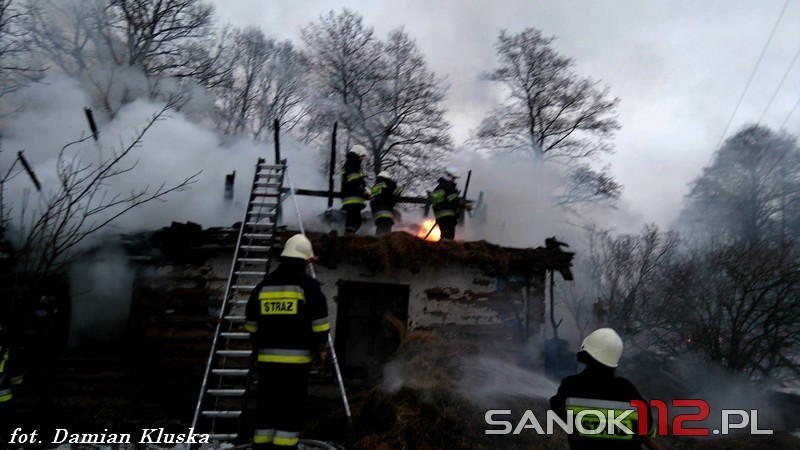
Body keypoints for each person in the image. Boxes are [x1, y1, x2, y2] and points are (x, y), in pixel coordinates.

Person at [244, 235, 330, 449]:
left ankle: (261, 445)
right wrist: (321, 349)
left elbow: (251, 323)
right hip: (296, 363)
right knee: (290, 407)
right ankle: (284, 446)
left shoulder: (264, 285)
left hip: (266, 361)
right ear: (304, 260)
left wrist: (257, 342)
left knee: (266, 405)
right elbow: (319, 322)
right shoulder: (307, 285)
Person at [550, 328, 655, 450]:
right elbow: (647, 425)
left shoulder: (571, 386)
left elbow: (556, 408)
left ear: (586, 357)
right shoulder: (627, 389)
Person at [0, 323, 24, 443]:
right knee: (6, 427)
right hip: (3, 397)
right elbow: (16, 372)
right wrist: (17, 384)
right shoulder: (9, 348)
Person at [340, 145, 370, 235]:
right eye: (362, 156)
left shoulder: (350, 164)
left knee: (352, 220)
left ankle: (348, 237)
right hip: (353, 197)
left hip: (350, 197)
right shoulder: (353, 164)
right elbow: (354, 180)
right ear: (357, 154)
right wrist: (363, 190)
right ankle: (348, 238)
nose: (363, 158)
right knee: (355, 221)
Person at [431, 167, 462, 240]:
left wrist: (438, 216)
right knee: (448, 239)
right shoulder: (449, 187)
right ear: (448, 176)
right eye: (453, 178)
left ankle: (441, 249)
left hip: (439, 217)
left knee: (444, 237)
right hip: (449, 217)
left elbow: (434, 204)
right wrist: (462, 204)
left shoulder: (437, 188)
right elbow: (453, 201)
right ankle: (444, 250)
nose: (454, 180)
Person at [370, 170, 403, 235]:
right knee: (386, 234)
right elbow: (394, 196)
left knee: (379, 230)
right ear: (387, 178)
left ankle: (378, 243)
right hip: (385, 212)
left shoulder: (375, 187)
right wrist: (399, 188)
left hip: (376, 213)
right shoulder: (388, 183)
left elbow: (375, 199)